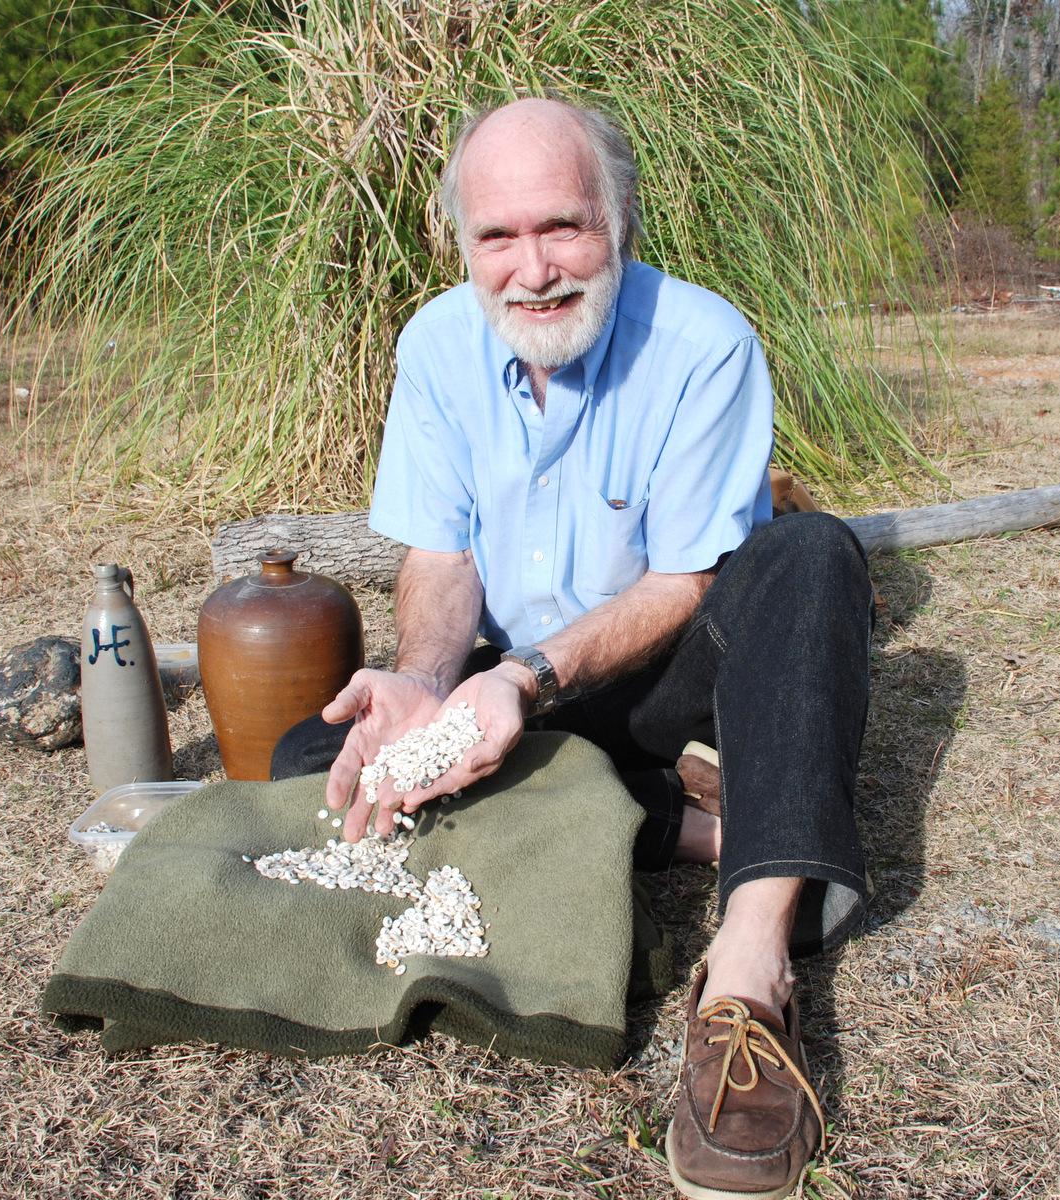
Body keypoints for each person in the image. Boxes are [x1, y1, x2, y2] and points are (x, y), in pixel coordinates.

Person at [272, 97, 873, 1200]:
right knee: (318, 761)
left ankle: (748, 971)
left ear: (618, 220)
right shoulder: (435, 345)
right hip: (522, 686)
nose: (533, 269)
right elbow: (442, 558)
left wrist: (522, 678)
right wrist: (428, 681)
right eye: (497, 237)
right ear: (462, 245)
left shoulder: (703, 344)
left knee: (811, 555)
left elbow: (687, 581)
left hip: (668, 668)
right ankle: (713, 825)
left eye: (562, 226)